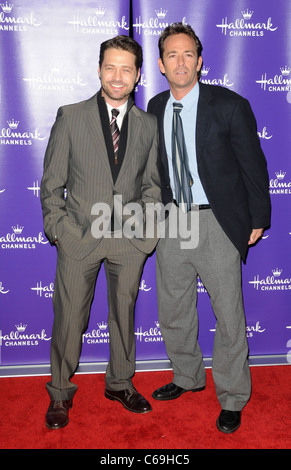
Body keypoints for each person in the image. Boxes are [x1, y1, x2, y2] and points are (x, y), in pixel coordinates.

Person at [147, 23, 271, 433]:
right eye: (171, 55)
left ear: (199, 61)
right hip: (173, 220)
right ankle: (186, 376)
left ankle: (233, 395)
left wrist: (257, 218)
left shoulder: (230, 104)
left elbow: (254, 166)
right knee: (174, 308)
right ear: (161, 64)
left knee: (229, 313)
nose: (180, 62)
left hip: (217, 220)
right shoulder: (155, 106)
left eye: (187, 55)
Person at [41, 35, 161, 429]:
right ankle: (60, 392)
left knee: (123, 315)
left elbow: (152, 185)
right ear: (98, 69)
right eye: (110, 66)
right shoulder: (71, 116)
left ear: (138, 75)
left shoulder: (147, 125)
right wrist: (59, 230)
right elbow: (52, 183)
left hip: (128, 241)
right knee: (70, 317)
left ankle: (120, 383)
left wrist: (146, 227)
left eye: (127, 68)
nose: (117, 75)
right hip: (79, 237)